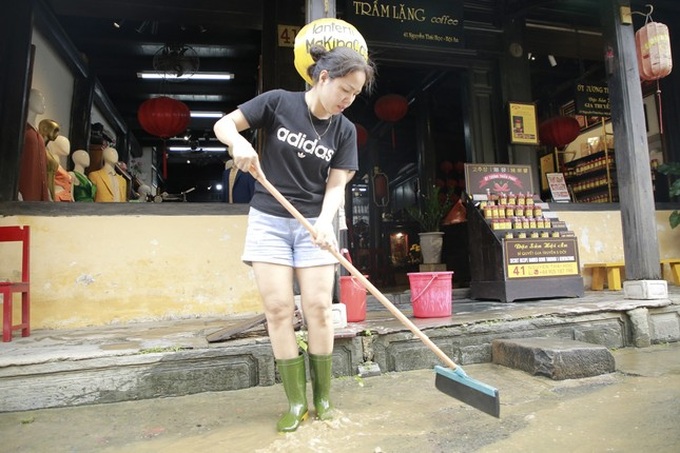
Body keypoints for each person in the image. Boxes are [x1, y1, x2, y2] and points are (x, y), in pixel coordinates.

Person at [213, 45, 376, 433]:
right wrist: (238, 143)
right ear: (323, 78)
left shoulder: (345, 130)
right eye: (344, 90)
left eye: (355, 95)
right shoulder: (277, 103)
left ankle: (322, 397)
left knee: (319, 307)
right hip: (268, 220)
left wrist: (325, 222)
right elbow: (224, 125)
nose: (348, 101)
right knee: (280, 309)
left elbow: (337, 183)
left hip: (313, 227)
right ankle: (296, 401)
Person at [18, 89, 50, 201]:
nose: (43, 103)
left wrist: (46, 190)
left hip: (38, 188)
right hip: (25, 187)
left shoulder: (37, 133)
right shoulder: (21, 129)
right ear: (29, 100)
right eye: (39, 98)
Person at [46, 135, 74, 202]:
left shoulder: (59, 165)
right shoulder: (51, 163)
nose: (67, 145)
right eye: (63, 142)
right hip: (58, 200)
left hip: (66, 200)